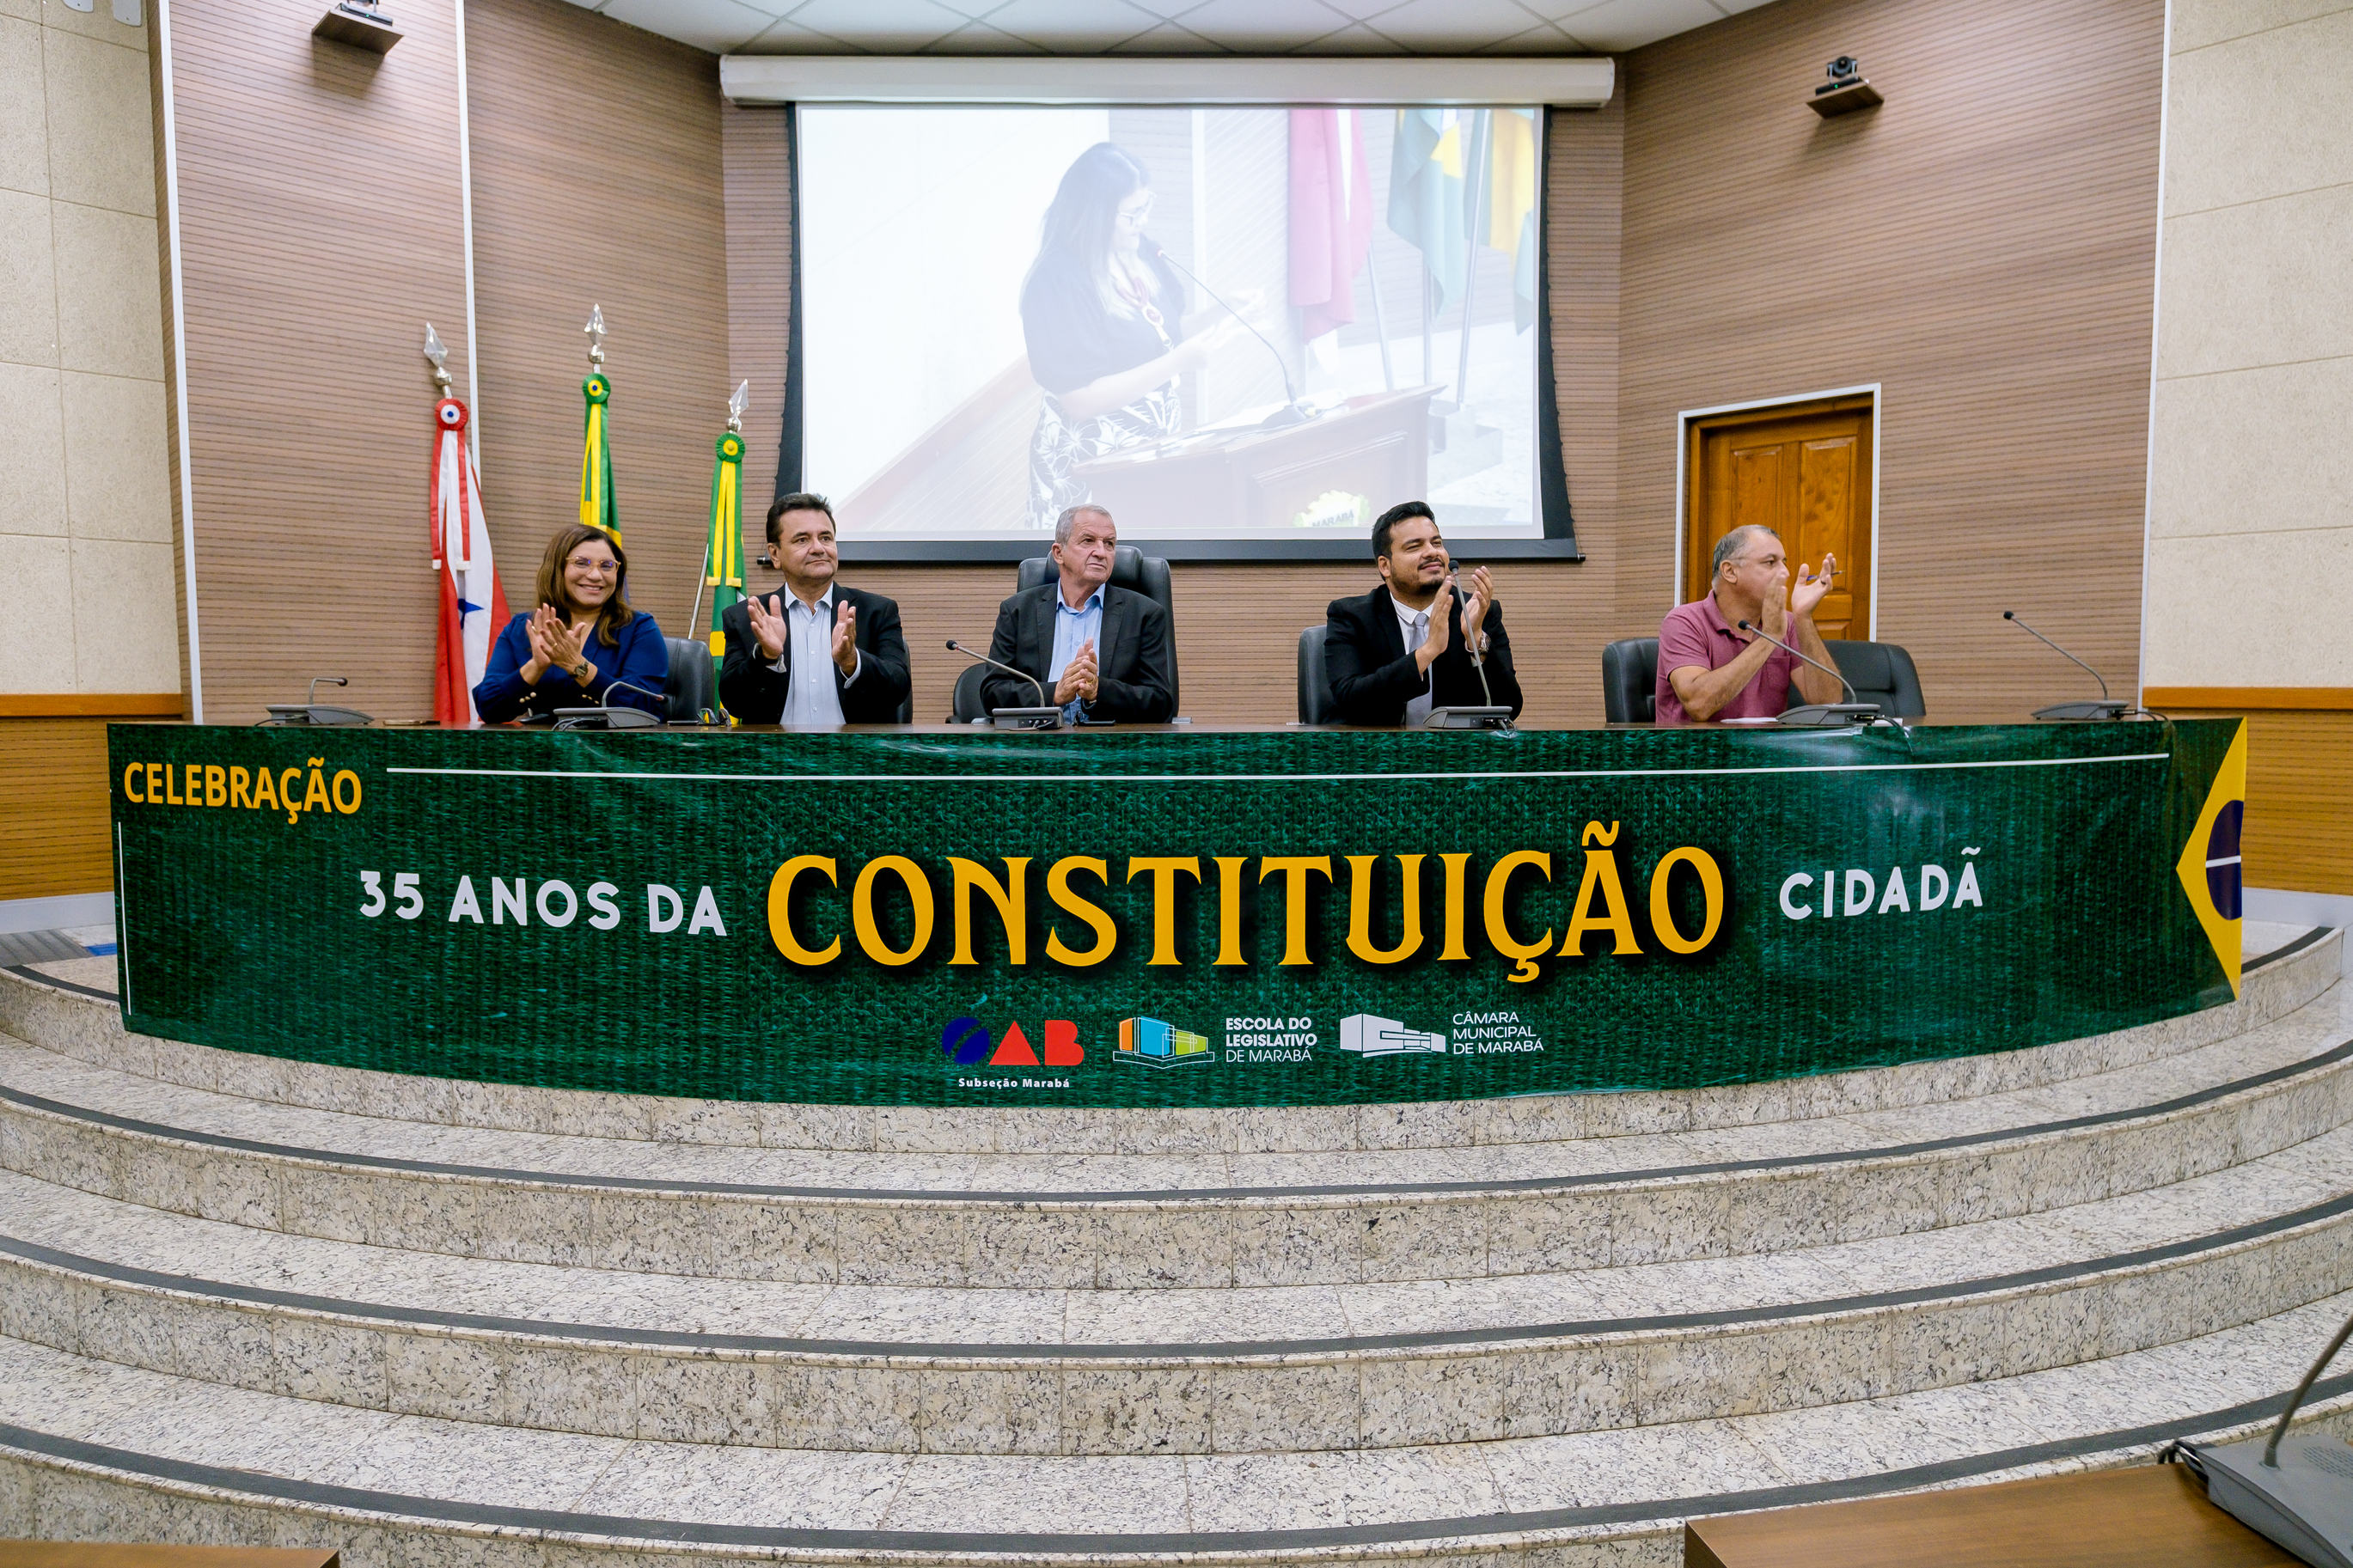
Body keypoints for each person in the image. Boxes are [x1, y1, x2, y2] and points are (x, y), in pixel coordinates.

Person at [1019, 142, 1250, 530]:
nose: (1142, 222)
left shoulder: (1139, 250)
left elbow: (1163, 332)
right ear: (1095, 216)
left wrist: (1221, 310)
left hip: (1148, 455)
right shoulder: (1057, 281)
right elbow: (1079, 398)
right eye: (1131, 213)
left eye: (1146, 207)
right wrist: (1178, 362)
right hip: (1087, 463)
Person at [718, 491, 911, 726]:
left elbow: (898, 689)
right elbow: (734, 702)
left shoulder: (876, 611)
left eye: (826, 538)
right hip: (776, 758)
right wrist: (765, 658)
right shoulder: (748, 617)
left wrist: (852, 661)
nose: (818, 548)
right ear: (775, 554)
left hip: (854, 758)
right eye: (802, 540)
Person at [1323, 501, 1522, 727]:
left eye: (1437, 543)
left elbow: (1510, 707)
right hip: (1371, 754)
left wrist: (1475, 639)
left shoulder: (1476, 612)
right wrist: (1428, 651)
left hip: (1451, 755)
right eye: (1414, 547)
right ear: (1385, 566)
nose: (1432, 552)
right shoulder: (1352, 616)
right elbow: (1351, 701)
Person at [981, 503, 1175, 723]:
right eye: (1088, 541)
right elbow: (992, 693)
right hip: (1037, 744)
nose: (1101, 552)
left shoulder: (1145, 615)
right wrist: (1054, 693)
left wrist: (1098, 691)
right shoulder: (1017, 611)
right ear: (1059, 553)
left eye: (1109, 544)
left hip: (1111, 747)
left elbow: (1161, 702)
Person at [474, 524, 668, 723]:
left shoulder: (639, 629)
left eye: (607, 565)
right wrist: (536, 666)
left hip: (622, 750)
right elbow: (488, 708)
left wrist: (576, 665)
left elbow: (640, 706)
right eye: (582, 563)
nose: (595, 575)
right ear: (557, 569)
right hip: (545, 749)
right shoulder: (522, 628)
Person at [1654, 524, 1842, 723]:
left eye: (1784, 563)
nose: (1786, 573)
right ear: (1730, 571)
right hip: (1697, 751)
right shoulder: (1684, 621)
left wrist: (1803, 617)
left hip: (1764, 750)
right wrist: (1768, 639)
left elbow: (1829, 702)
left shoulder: (1788, 622)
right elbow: (1699, 705)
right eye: (1770, 563)